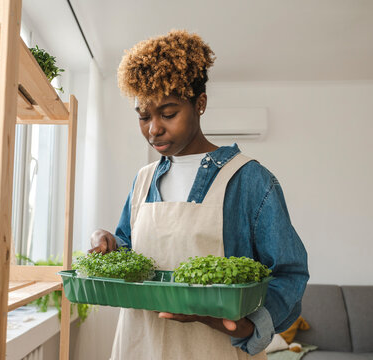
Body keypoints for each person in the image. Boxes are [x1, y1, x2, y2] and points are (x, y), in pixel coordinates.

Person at [90, 30, 309, 360]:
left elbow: (289, 274)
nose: (154, 129)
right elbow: (130, 250)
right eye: (143, 116)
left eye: (168, 113)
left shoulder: (248, 180)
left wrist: (243, 326)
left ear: (200, 104)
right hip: (139, 346)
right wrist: (109, 245)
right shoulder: (143, 180)